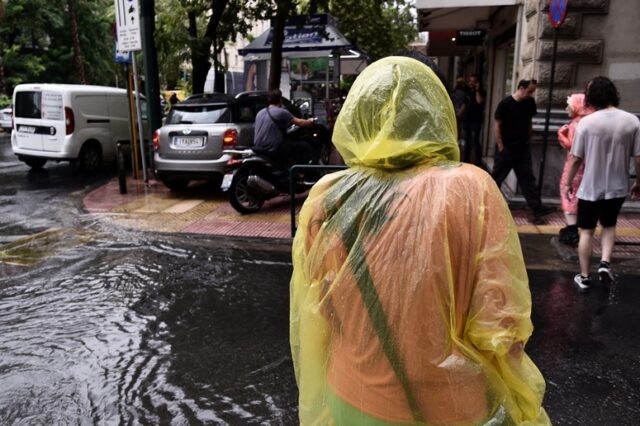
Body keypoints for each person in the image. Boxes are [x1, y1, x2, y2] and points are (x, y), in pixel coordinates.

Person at [290, 56, 550, 425]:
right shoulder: (470, 190)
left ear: (358, 116)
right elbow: (503, 328)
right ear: (436, 112)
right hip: (449, 407)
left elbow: (318, 310)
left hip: (349, 396)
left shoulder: (327, 197)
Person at [564, 76, 640, 292]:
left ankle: (585, 276)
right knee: (609, 225)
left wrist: (568, 183)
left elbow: (576, 158)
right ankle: (605, 263)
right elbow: (638, 157)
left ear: (591, 98)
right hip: (618, 186)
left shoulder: (586, 123)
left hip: (590, 187)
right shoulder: (632, 121)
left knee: (586, 231)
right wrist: (639, 183)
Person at [492, 79, 555, 223]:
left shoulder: (530, 103)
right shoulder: (505, 104)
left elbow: (529, 121)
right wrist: (501, 146)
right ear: (521, 88)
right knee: (496, 179)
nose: (531, 94)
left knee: (528, 180)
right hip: (507, 148)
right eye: (529, 91)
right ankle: (488, 206)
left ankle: (536, 209)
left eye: (533, 91)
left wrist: (529, 137)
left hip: (522, 148)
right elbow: (497, 125)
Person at [557, 93, 594, 246]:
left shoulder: (576, 125)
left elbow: (573, 149)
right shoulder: (591, 123)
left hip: (575, 167)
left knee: (568, 194)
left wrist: (561, 136)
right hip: (590, 167)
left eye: (570, 105)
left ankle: (572, 230)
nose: (567, 108)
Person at [253, 89, 315, 167]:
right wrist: (310, 121)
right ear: (280, 100)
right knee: (305, 146)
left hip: (258, 147)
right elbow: (300, 122)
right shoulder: (281, 112)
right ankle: (299, 172)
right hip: (273, 147)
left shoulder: (260, 112)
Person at [462, 73, 486, 166]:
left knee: (475, 140)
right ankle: (466, 160)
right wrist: (458, 115)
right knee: (467, 140)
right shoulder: (467, 92)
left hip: (476, 120)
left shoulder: (481, 92)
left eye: (474, 81)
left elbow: (479, 101)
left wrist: (477, 89)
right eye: (470, 81)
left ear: (477, 83)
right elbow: (464, 104)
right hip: (467, 119)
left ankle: (478, 162)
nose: (471, 83)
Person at [451, 77, 467, 145]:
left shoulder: (454, 92)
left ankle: (457, 139)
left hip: (456, 111)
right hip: (459, 112)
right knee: (459, 127)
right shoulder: (463, 93)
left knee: (457, 126)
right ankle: (459, 139)